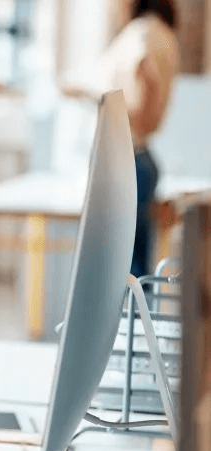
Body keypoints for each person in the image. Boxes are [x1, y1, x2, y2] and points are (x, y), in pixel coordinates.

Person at [65, 0, 178, 277]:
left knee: (121, 270)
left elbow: (144, 82)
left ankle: (132, 320)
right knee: (133, 263)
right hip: (139, 156)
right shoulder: (163, 33)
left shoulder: (143, 33)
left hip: (126, 157)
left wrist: (90, 94)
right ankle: (136, 320)